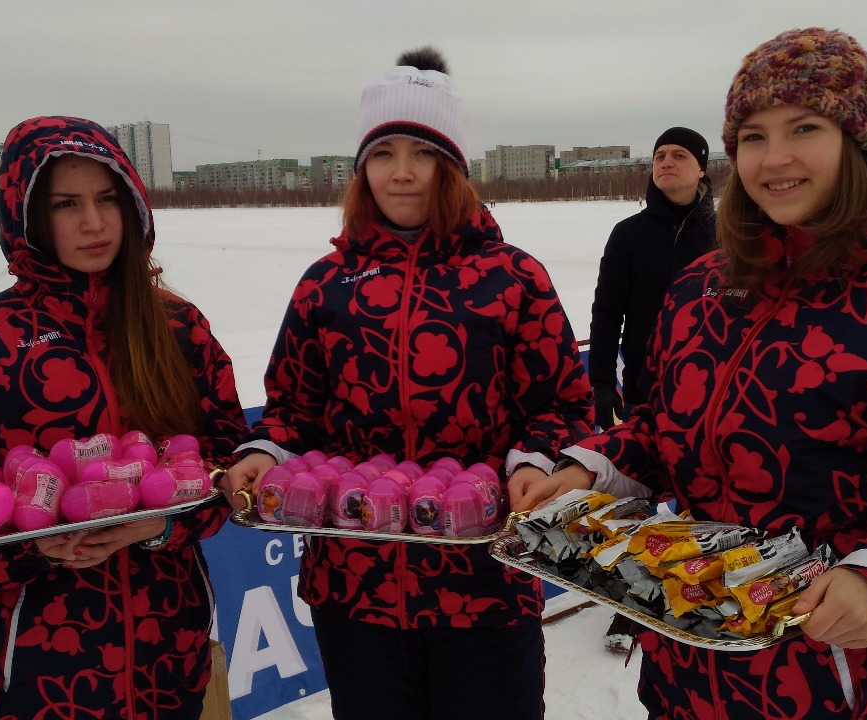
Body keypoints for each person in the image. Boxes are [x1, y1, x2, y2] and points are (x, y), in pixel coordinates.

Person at [511, 28, 867, 719]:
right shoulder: (700, 292)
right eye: (753, 136)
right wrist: (588, 470)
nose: (774, 158)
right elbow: (662, 432)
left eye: (804, 128)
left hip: (839, 688)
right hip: (686, 678)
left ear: (856, 144)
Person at [217, 47, 592, 720]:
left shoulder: (513, 278)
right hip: (354, 583)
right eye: (383, 153)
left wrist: (534, 461)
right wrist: (264, 452)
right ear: (362, 167)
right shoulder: (326, 284)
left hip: (485, 578)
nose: (402, 172)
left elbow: (563, 405)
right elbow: (292, 408)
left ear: (452, 166)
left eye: (423, 152)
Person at [0, 116, 248, 719]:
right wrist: (33, 547)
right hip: (30, 665)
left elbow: (228, 461)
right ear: (26, 216)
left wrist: (163, 525)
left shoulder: (178, 328)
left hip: (168, 650)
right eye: (66, 204)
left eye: (108, 199)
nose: (94, 222)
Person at [587, 126, 716, 652]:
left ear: (702, 168)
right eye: (660, 155)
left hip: (716, 392)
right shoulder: (629, 233)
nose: (666, 162)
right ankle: (634, 601)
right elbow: (606, 311)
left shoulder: (731, 232)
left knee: (702, 493)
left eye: (679, 155)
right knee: (645, 497)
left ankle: (704, 589)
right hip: (647, 389)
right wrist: (601, 380)